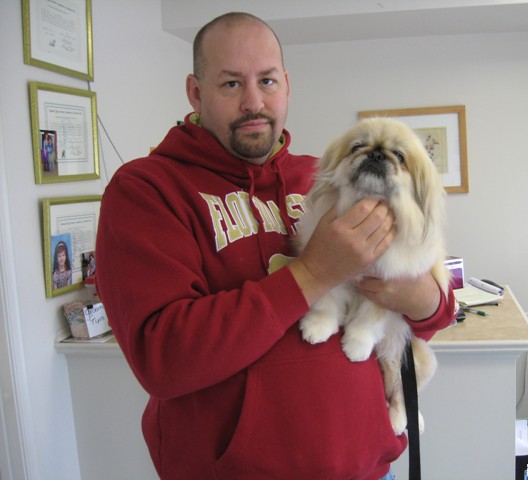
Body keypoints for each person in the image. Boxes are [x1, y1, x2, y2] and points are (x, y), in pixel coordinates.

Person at [95, 12, 456, 480]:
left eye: (267, 81)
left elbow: (428, 303)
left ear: (286, 84)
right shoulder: (145, 190)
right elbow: (162, 359)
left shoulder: (324, 177)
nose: (253, 102)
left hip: (369, 468)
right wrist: (312, 274)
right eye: (230, 84)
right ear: (195, 92)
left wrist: (426, 300)